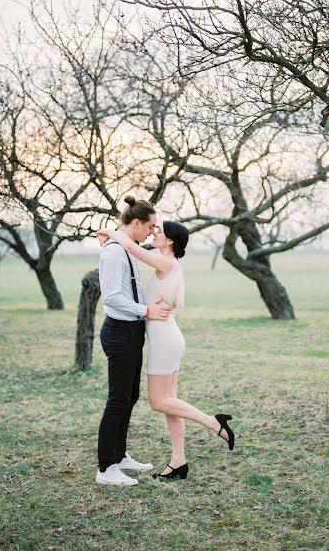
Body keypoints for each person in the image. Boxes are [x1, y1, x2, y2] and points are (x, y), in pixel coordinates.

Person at [97, 200, 235, 481]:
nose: (152, 233)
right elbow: (129, 253)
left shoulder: (163, 261)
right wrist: (111, 234)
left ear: (169, 240)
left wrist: (111, 232)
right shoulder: (161, 260)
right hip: (165, 336)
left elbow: (133, 247)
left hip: (163, 339)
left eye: (157, 230)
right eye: (150, 227)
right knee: (166, 401)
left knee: (159, 402)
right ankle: (178, 461)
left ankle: (213, 422)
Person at [95, 196, 172, 486]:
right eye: (151, 226)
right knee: (118, 399)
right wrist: (147, 310)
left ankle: (119, 455)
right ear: (136, 223)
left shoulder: (127, 248)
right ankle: (105, 468)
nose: (153, 232)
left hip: (132, 331)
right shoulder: (114, 253)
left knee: (130, 396)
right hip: (119, 331)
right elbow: (113, 297)